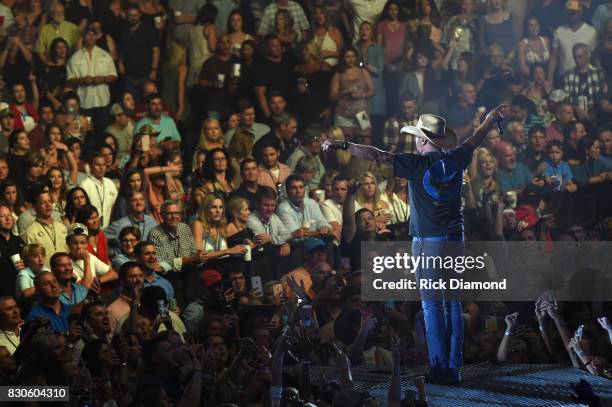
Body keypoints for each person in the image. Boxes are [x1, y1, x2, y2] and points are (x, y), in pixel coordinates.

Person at [324, 105, 505, 384]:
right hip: (455, 239)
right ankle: (454, 368)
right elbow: (476, 138)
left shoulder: (416, 164)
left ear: (423, 140)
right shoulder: (458, 156)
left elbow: (376, 155)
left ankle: (439, 367)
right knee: (453, 304)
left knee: (432, 305)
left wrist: (343, 144)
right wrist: (491, 119)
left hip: (429, 242)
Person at [66, 26, 117, 135]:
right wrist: (82, 80)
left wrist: (103, 79)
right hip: (84, 103)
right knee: (86, 132)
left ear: (96, 37)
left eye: (93, 34)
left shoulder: (105, 55)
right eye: (87, 34)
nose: (90, 37)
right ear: (83, 37)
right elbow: (69, 79)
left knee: (103, 131)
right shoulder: (75, 57)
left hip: (103, 101)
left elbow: (114, 76)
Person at [548, 0, 597, 81]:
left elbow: (595, 57)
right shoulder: (559, 31)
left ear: (580, 13)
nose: (570, 16)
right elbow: (554, 57)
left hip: (584, 77)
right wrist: (549, 77)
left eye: (573, 13)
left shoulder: (591, 32)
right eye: (568, 12)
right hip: (563, 77)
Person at [277, 175, 333, 244]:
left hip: (316, 242)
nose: (298, 191)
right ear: (287, 191)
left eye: (301, 187)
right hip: (297, 248)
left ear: (304, 190)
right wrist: (319, 232)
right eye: (294, 188)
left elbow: (324, 224)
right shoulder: (283, 208)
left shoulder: (311, 203)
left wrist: (325, 228)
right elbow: (296, 239)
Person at [119, 5, 161, 97]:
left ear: (140, 15)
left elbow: (156, 50)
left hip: (146, 74)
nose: (133, 17)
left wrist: (153, 69)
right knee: (131, 102)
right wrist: (120, 63)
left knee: (146, 101)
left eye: (135, 15)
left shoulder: (148, 29)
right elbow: (122, 49)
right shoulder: (124, 30)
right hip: (129, 74)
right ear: (126, 16)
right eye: (130, 15)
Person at [22, 189, 68, 268]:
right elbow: (31, 260)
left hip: (65, 273)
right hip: (45, 276)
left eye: (49, 201)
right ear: (35, 207)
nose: (48, 205)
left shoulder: (61, 227)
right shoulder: (31, 232)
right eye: (43, 202)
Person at [562, 43, 607, 121]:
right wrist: (577, 110)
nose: (577, 59)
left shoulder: (598, 73)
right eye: (575, 57)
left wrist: (595, 111)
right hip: (575, 115)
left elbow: (603, 95)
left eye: (580, 56)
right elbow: (567, 98)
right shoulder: (568, 75)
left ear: (587, 55)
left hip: (597, 114)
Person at [78, 151, 119, 228]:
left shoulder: (110, 183)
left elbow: (116, 205)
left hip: (109, 228)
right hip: (90, 228)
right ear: (90, 166)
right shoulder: (84, 185)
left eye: (104, 165)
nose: (101, 168)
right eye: (98, 165)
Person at [106, 260, 143, 333]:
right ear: (122, 281)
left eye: (140, 276)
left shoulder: (149, 302)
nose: (138, 279)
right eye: (133, 276)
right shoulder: (112, 311)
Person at [0, 203, 24, 297]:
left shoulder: (19, 240)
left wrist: (26, 264)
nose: (7, 218)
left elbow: (29, 264)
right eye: (2, 216)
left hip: (21, 290)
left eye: (9, 215)